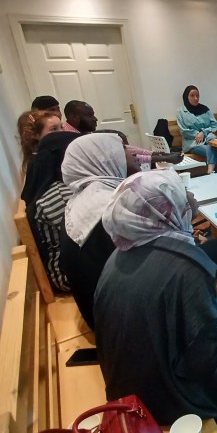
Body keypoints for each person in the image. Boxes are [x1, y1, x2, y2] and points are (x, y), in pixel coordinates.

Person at [95, 170, 217, 427]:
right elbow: (209, 358)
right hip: (176, 403)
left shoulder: (120, 252)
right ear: (165, 211)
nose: (191, 195)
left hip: (136, 384)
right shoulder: (188, 270)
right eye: (183, 193)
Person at [58, 133, 128, 328]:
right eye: (122, 150)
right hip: (117, 322)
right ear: (104, 159)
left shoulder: (85, 199)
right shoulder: (110, 209)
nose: (130, 155)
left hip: (97, 310)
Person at [20, 131, 81, 293]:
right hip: (68, 277)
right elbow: (86, 242)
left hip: (70, 269)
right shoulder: (61, 197)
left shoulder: (56, 187)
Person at [176, 85, 217, 174]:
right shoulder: (180, 112)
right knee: (211, 149)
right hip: (193, 143)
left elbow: (214, 125)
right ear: (186, 97)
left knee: (213, 144)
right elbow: (183, 130)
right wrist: (197, 134)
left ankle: (211, 171)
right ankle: (211, 171)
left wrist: (203, 132)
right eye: (192, 96)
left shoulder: (205, 109)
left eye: (197, 96)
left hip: (209, 139)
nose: (195, 98)